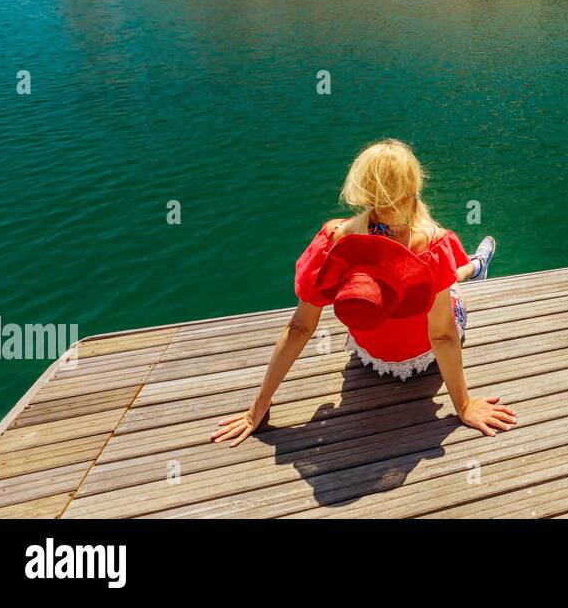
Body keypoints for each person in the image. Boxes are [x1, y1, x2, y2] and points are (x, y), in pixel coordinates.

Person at [211, 139, 513, 447]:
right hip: (424, 355)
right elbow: (443, 336)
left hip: (369, 355)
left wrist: (256, 410)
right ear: (414, 186)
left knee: (439, 279)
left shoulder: (334, 240)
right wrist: (463, 406)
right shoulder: (434, 243)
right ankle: (475, 266)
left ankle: (472, 267)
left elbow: (300, 328)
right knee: (448, 285)